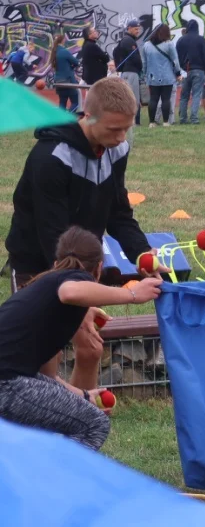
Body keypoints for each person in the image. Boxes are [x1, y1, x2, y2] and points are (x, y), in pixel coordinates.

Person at [5, 78, 158, 391]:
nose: (121, 138)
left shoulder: (117, 149)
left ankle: (80, 426)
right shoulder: (51, 158)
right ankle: (44, 430)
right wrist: (82, 297)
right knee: (45, 359)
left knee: (90, 349)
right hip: (39, 263)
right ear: (89, 117)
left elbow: (118, 210)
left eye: (126, 128)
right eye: (114, 129)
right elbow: (52, 236)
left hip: (82, 262)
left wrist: (142, 253)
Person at [0, 227, 162, 451]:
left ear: (56, 262)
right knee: (93, 424)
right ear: (99, 268)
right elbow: (70, 292)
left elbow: (45, 379)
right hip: (6, 384)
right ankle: (61, 483)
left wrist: (83, 396)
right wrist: (132, 295)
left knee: (62, 422)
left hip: (12, 380)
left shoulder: (44, 296)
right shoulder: (68, 281)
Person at [141, 24, 182, 127]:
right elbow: (175, 60)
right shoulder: (169, 44)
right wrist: (178, 73)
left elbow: (144, 62)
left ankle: (151, 122)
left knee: (153, 98)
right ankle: (165, 121)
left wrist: (144, 74)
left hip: (152, 76)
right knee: (166, 99)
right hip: (167, 76)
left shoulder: (146, 45)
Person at [176, 20, 205, 124]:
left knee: (184, 96)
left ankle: (182, 118)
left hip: (185, 70)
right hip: (199, 69)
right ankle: (194, 118)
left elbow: (177, 56)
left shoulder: (181, 40)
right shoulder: (201, 40)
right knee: (196, 94)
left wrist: (180, 69)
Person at [112, 20, 143, 124]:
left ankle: (131, 121)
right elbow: (135, 58)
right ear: (129, 28)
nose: (137, 31)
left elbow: (115, 52)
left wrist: (119, 67)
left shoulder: (124, 40)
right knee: (134, 99)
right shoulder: (129, 41)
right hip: (131, 72)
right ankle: (134, 122)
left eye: (138, 29)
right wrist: (141, 67)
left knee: (129, 98)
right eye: (135, 29)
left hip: (126, 72)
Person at [52, 34, 81, 111]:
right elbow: (76, 62)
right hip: (68, 80)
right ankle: (69, 119)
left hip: (58, 80)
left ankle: (61, 120)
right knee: (75, 103)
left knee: (62, 102)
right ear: (63, 40)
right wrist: (72, 66)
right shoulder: (64, 51)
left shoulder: (54, 52)